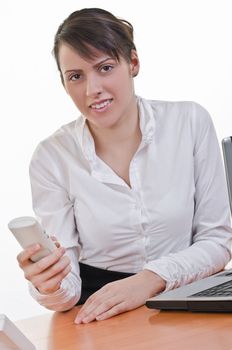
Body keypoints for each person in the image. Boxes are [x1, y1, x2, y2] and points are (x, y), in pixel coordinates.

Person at [17, 7, 232, 324]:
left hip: (190, 295)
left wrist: (149, 280)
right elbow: (68, 291)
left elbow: (218, 241)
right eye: (75, 76)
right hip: (103, 309)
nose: (92, 90)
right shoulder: (51, 157)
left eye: (104, 68)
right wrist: (49, 283)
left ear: (133, 63)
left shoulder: (190, 122)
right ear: (63, 83)